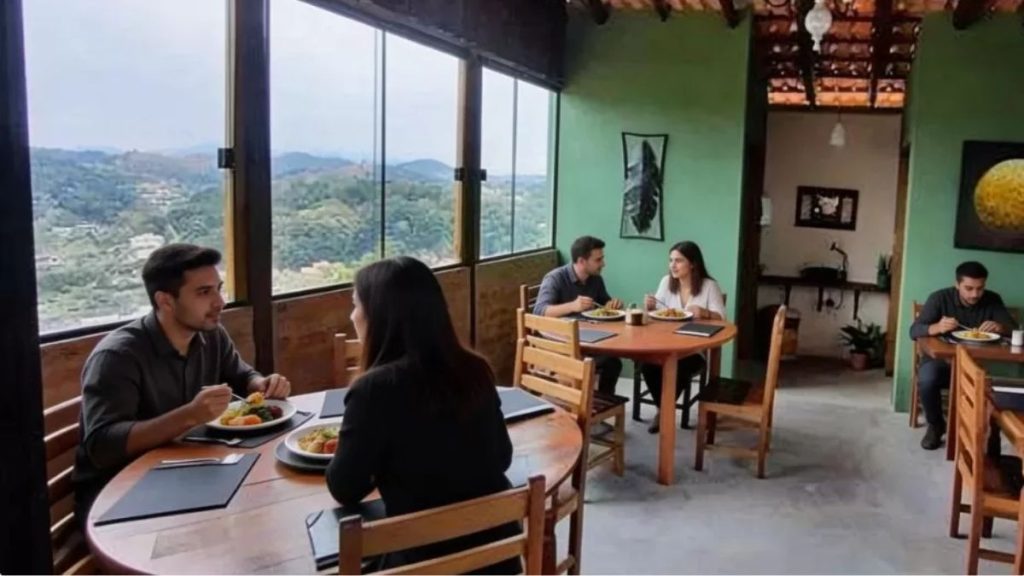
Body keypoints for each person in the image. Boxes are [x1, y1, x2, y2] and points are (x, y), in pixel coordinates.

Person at [326, 256, 519, 573]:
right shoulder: (476, 370)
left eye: (355, 305)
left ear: (378, 316)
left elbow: (345, 488)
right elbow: (502, 458)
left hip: (421, 565)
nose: (352, 316)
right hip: (497, 558)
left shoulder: (372, 391)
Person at [74, 244, 291, 523]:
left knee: (269, 505)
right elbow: (103, 446)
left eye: (218, 288)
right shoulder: (117, 356)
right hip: (119, 498)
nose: (219, 302)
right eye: (204, 292)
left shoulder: (211, 334)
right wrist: (190, 415)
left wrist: (260, 384)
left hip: (187, 474)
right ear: (165, 300)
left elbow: (240, 374)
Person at [910, 261, 1018, 450]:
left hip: (979, 363)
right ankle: (936, 426)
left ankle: (988, 436)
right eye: (968, 288)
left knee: (994, 385)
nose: (975, 294)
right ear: (957, 284)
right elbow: (914, 331)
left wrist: (1001, 327)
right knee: (927, 380)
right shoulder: (939, 298)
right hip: (941, 361)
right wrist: (936, 327)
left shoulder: (993, 299)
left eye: (980, 288)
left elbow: (1013, 329)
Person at [641, 241, 727, 433]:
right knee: (647, 367)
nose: (673, 265)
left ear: (693, 264)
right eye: (671, 260)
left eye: (678, 261)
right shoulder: (666, 282)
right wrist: (650, 306)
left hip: (693, 351)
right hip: (664, 345)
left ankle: (662, 412)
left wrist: (704, 312)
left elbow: (722, 318)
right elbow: (658, 313)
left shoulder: (709, 286)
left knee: (679, 368)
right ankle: (664, 410)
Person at [533, 235, 624, 395]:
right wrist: (573, 306)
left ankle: (600, 403)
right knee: (607, 362)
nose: (603, 263)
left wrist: (613, 305)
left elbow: (605, 304)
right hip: (560, 345)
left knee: (613, 363)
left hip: (587, 340)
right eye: (598, 260)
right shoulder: (555, 278)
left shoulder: (596, 280)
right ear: (582, 261)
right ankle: (578, 401)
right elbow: (539, 312)